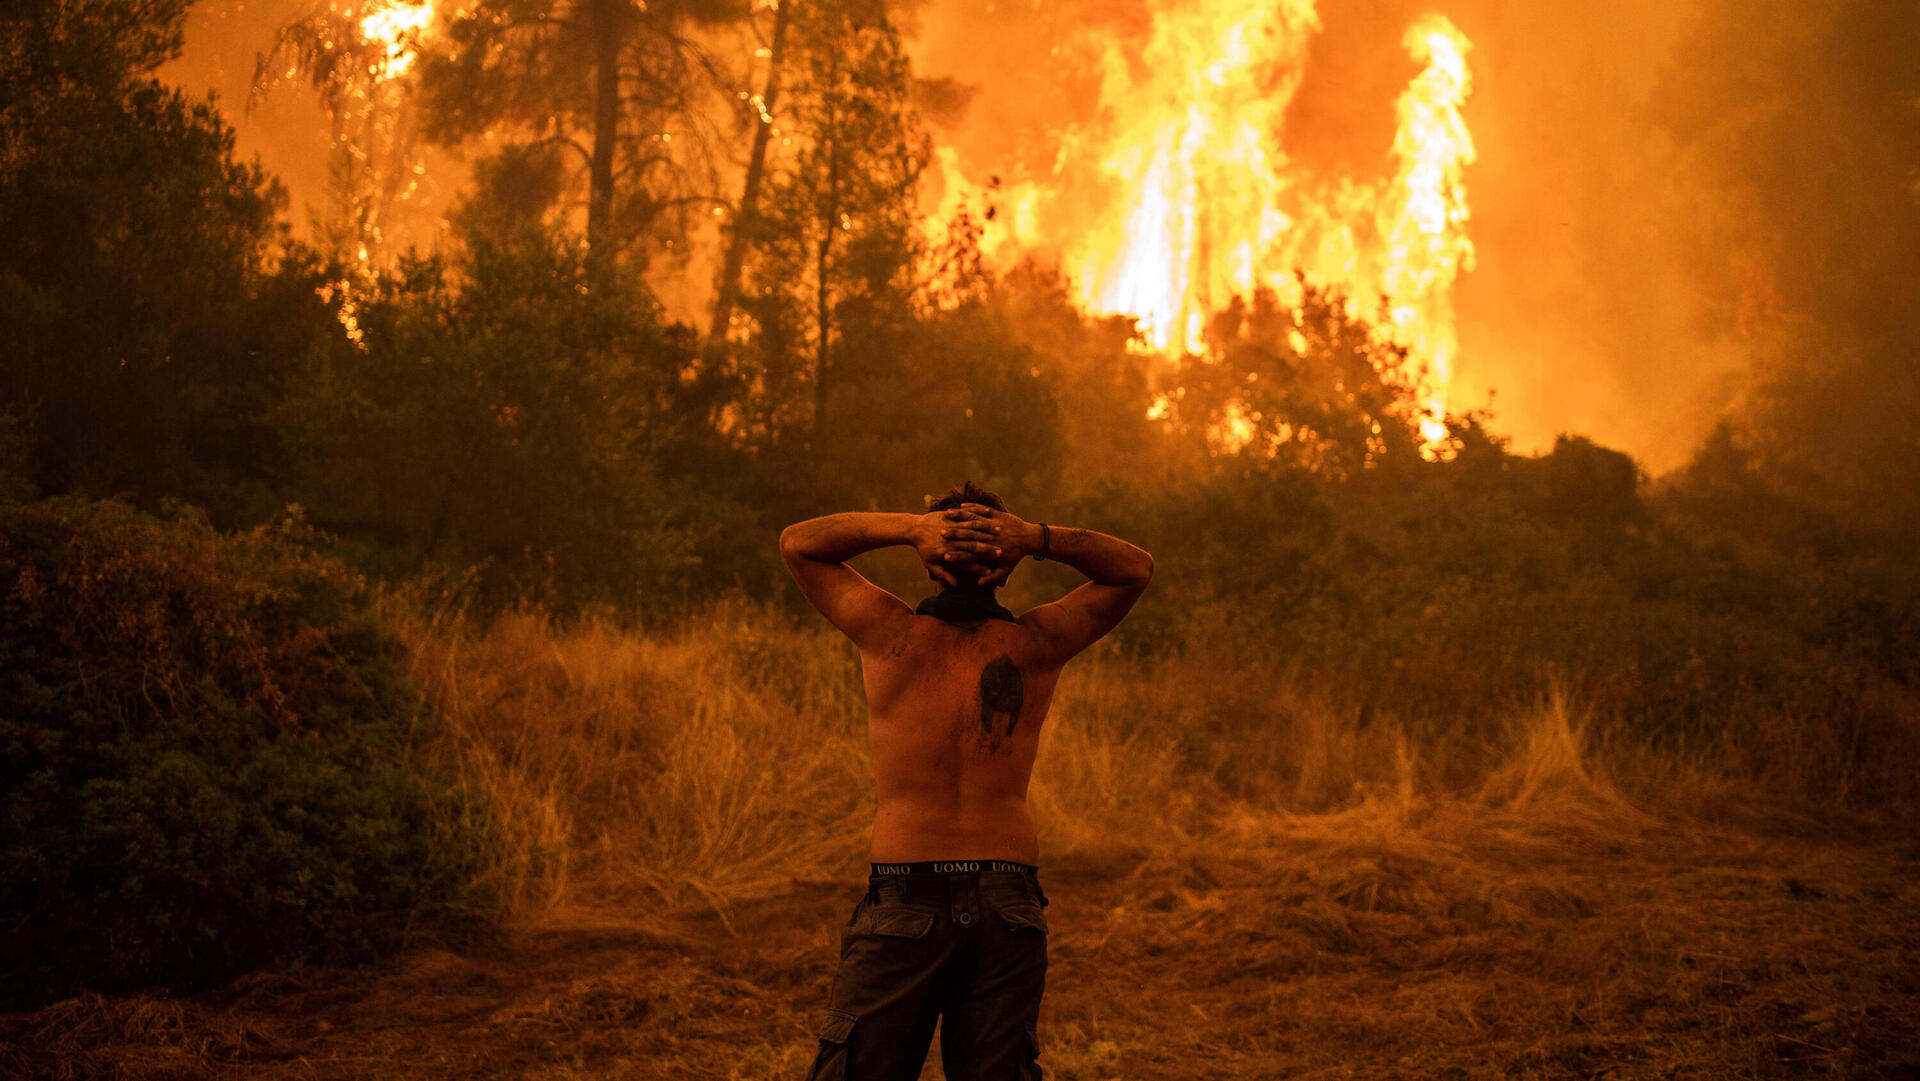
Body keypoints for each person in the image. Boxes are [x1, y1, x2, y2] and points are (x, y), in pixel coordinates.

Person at [778, 481, 1154, 1081]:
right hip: (1007, 897)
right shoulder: (1035, 643)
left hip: (907, 891)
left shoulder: (889, 633)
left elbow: (799, 544)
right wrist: (1035, 539)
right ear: (1005, 571)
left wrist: (911, 528)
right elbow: (1134, 570)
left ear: (929, 563)